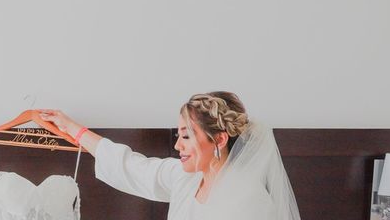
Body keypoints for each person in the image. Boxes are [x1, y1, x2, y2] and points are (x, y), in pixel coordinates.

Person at [39, 91, 301, 220]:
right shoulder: (187, 179)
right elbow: (130, 166)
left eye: (186, 136)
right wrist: (74, 129)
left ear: (219, 139)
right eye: (178, 136)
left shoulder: (249, 201)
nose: (178, 146)